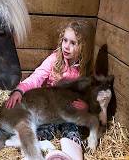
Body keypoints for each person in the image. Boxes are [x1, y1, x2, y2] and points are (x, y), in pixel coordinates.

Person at [5, 20, 94, 160]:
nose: (66, 46)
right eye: (65, 40)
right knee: (40, 133)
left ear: (83, 47)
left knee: (72, 134)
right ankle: (42, 150)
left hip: (69, 114)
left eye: (73, 43)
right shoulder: (54, 59)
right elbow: (36, 77)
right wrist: (20, 90)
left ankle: (70, 156)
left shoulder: (84, 70)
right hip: (49, 110)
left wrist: (85, 106)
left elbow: (87, 96)